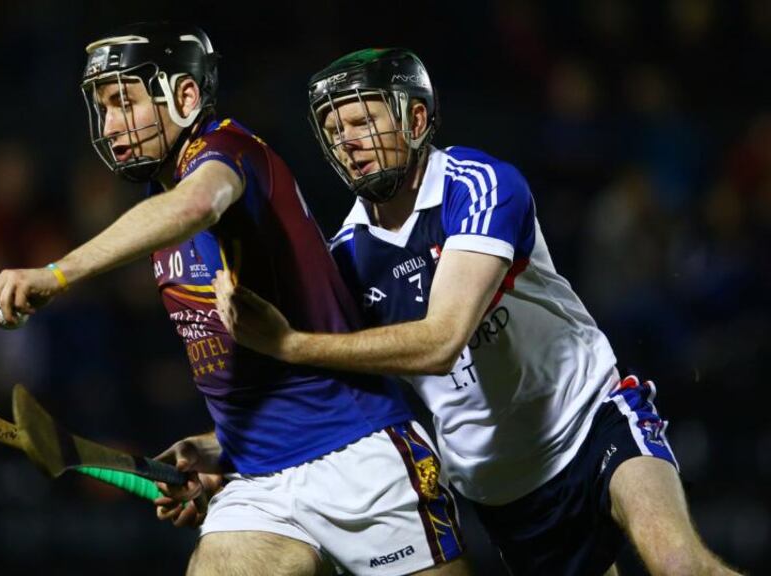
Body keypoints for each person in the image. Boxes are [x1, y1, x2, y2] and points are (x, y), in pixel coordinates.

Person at [211, 48, 740, 576]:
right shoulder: (345, 258)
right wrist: (231, 451)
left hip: (591, 418)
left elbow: (443, 341)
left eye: (362, 119)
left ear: (416, 118)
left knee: (680, 565)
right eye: (332, 128)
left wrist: (288, 342)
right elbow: (329, 399)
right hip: (504, 489)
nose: (347, 140)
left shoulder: (479, 184)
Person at [0, 25, 469, 576]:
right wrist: (221, 446)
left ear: (185, 97)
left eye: (124, 102)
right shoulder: (156, 200)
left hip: (359, 457)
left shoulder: (228, 153)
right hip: (258, 482)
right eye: (102, 107)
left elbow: (198, 205)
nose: (110, 124)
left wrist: (58, 273)